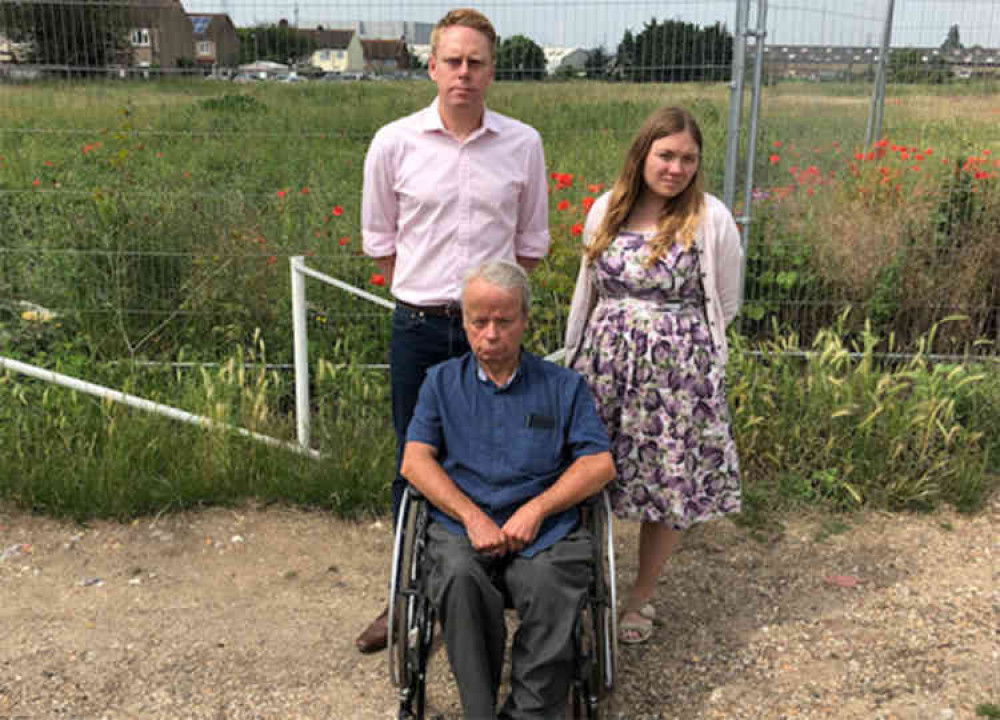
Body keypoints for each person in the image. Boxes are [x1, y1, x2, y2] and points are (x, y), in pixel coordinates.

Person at [357, 8, 551, 653]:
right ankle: (407, 594)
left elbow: (527, 248)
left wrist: (490, 314)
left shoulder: (523, 144)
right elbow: (382, 243)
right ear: (432, 65)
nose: (464, 73)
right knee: (415, 462)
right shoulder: (394, 142)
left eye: (477, 62)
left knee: (506, 459)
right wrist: (434, 295)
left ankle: (494, 586)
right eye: (453, 61)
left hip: (495, 330)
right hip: (420, 326)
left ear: (492, 70)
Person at [402, 260, 615, 719]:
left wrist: (538, 509)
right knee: (458, 576)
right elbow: (415, 461)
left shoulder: (563, 386)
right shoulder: (440, 383)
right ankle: (480, 711)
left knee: (551, 583)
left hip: (546, 530)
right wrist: (472, 517)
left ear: (525, 321)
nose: (491, 334)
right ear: (464, 321)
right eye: (480, 321)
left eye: (504, 321)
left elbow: (599, 464)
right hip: (462, 526)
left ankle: (529, 713)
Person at [564, 106, 743, 645]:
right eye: (666, 155)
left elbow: (725, 300)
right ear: (643, 154)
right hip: (604, 367)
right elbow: (587, 287)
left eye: (688, 158)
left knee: (665, 484)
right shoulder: (606, 209)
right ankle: (579, 583)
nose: (676, 167)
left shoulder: (710, 218)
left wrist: (673, 343)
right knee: (587, 473)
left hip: (678, 380)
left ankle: (641, 595)